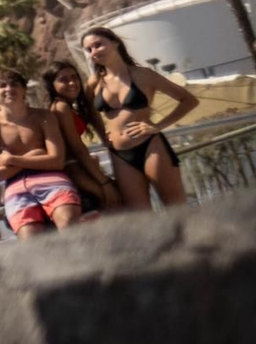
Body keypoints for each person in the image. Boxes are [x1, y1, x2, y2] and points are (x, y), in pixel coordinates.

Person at [81, 27, 201, 209]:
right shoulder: (94, 83)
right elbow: (88, 111)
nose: (94, 52)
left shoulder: (143, 75)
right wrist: (101, 134)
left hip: (151, 147)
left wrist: (159, 126)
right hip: (120, 155)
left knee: (177, 209)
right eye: (89, 49)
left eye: (98, 45)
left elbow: (188, 100)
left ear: (115, 43)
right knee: (141, 217)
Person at [0, 72, 82, 238]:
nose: (9, 89)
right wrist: (37, 154)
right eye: (2, 86)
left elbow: (56, 161)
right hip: (16, 186)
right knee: (30, 239)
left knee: (68, 221)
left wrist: (12, 160)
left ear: (23, 90)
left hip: (52, 179)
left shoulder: (44, 117)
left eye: (14, 84)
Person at [41, 62, 121, 212]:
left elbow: (91, 111)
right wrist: (104, 182)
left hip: (79, 168)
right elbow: (77, 149)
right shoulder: (61, 107)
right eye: (63, 80)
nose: (72, 82)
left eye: (74, 77)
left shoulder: (68, 106)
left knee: (112, 207)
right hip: (74, 170)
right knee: (114, 202)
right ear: (52, 85)